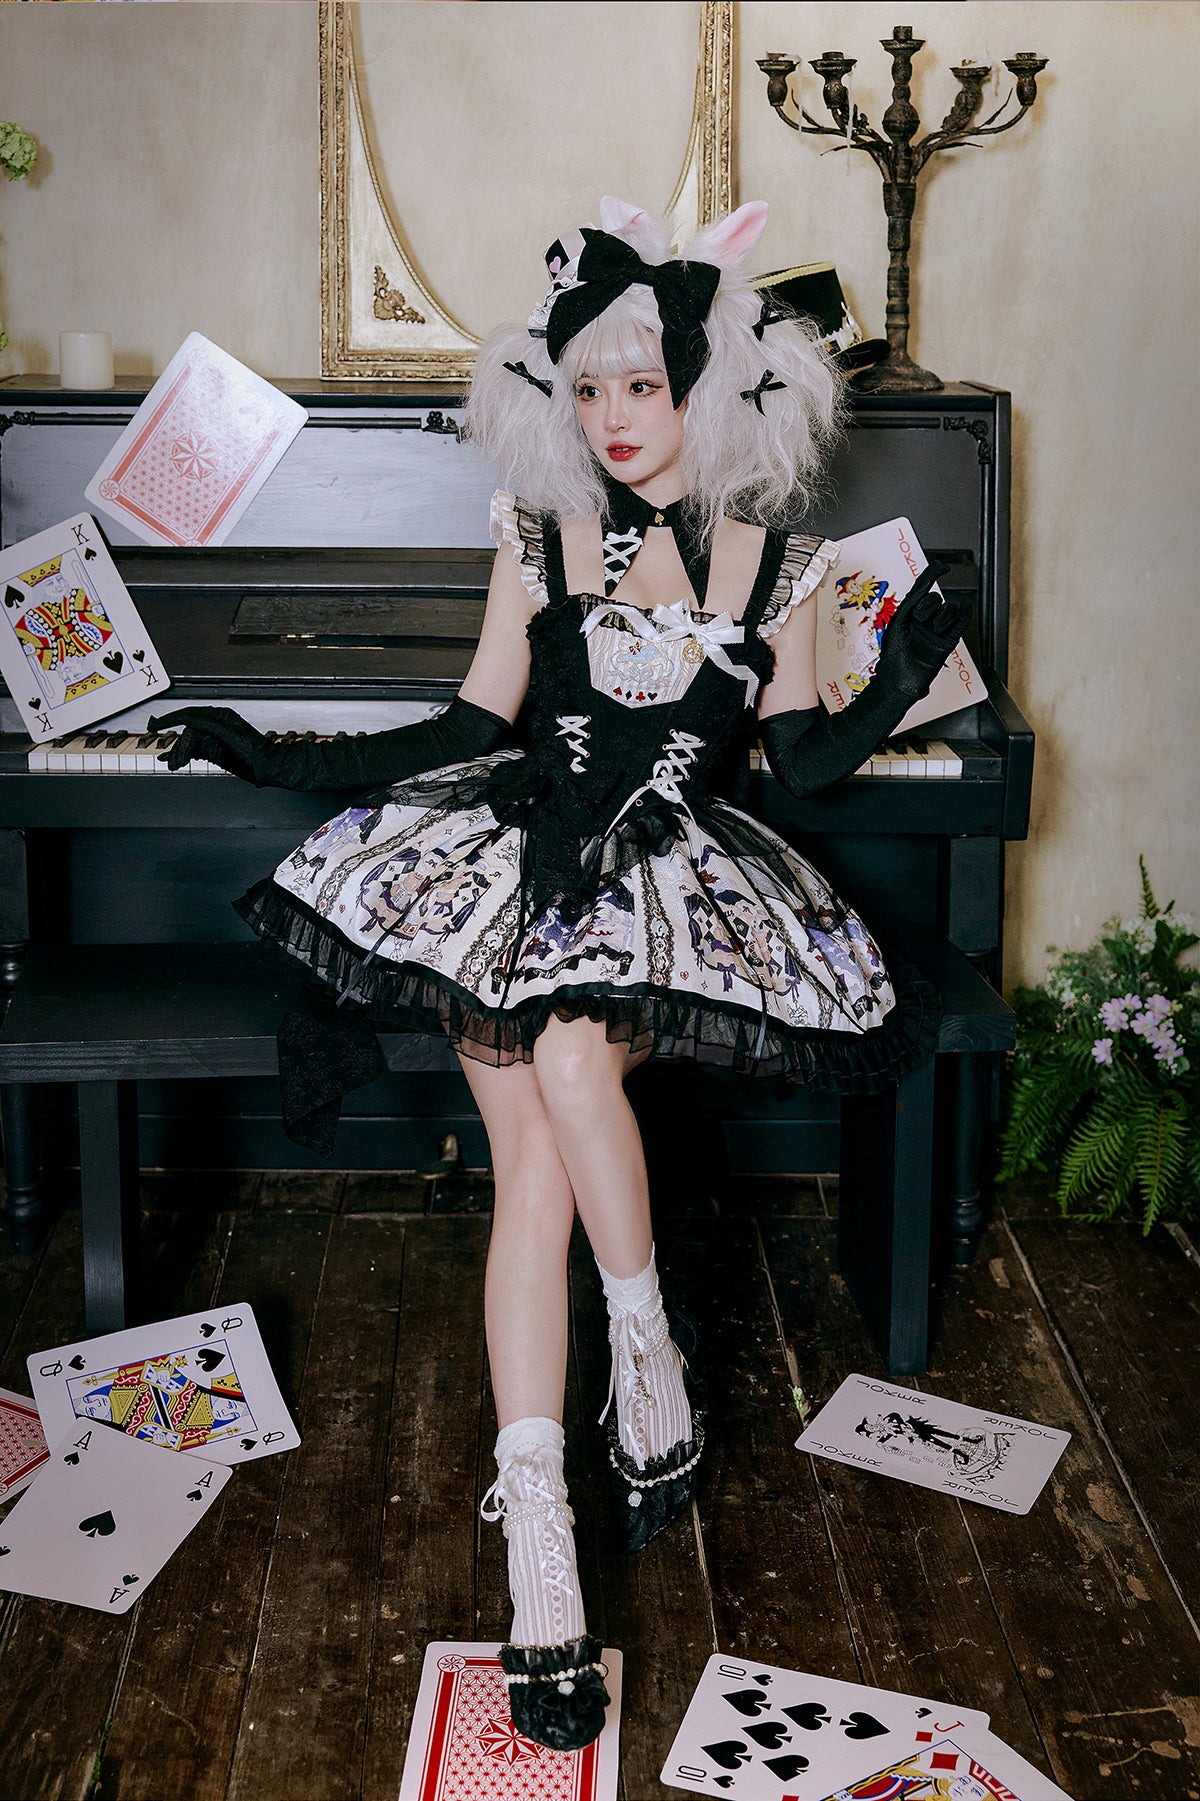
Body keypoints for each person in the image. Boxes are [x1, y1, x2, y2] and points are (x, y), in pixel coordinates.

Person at [150, 195, 967, 1754]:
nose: (614, 421)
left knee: (577, 1061)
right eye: (589, 390)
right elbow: (472, 724)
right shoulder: (538, 536)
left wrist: (906, 673)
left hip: (670, 884)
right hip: (514, 871)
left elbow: (799, 766)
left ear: (708, 390)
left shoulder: (778, 564)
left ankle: (642, 1346)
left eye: (643, 387)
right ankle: (547, 1545)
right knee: (529, 1160)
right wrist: (275, 749)